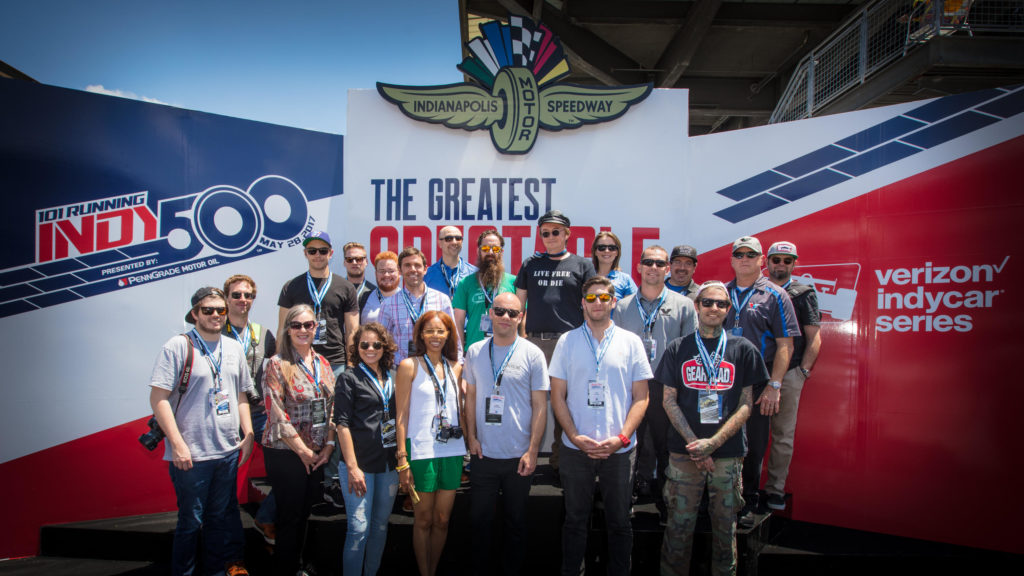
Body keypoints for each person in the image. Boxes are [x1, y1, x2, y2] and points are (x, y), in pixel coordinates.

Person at [656, 281, 768, 576]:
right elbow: (668, 400)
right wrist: (697, 445)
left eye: (721, 304)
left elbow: (746, 404)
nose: (714, 308)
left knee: (725, 530)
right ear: (697, 306)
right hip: (684, 452)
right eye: (708, 302)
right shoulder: (677, 347)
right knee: (678, 529)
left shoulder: (743, 349)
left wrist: (713, 443)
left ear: (729, 310)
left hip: (728, 454)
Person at [148, 286, 254, 576]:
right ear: (195, 313)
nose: (216, 315)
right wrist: (178, 445)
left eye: (221, 310)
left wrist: (248, 433)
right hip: (191, 455)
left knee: (218, 519)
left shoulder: (233, 347)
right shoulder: (178, 346)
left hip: (227, 452)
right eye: (208, 310)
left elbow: (242, 395)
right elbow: (158, 399)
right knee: (190, 523)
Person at [549, 276, 651, 576]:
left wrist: (621, 438)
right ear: (582, 303)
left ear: (613, 302)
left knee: (620, 522)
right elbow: (557, 395)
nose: (597, 303)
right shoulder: (567, 341)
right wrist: (573, 436)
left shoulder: (631, 342)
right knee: (574, 520)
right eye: (591, 298)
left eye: (603, 298)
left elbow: (642, 397)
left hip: (619, 451)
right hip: (575, 449)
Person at [462, 293, 549, 576]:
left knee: (516, 523)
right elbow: (470, 399)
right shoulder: (475, 350)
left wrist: (533, 450)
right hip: (483, 454)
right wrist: (471, 438)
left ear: (520, 317)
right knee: (479, 523)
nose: (505, 317)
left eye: (512, 313)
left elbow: (539, 406)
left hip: (518, 458)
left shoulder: (533, 353)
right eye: (500, 311)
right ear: (490, 312)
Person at [614, 245, 697, 523]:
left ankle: (666, 504)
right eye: (647, 262)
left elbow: (691, 352)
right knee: (628, 445)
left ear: (667, 269)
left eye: (659, 263)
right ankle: (626, 502)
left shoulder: (684, 305)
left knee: (666, 447)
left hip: (666, 388)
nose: (653, 267)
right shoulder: (622, 306)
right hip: (631, 387)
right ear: (638, 267)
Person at [277, 231, 359, 506]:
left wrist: (350, 367)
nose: (318, 255)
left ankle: (330, 479)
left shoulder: (344, 287)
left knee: (334, 423)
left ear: (331, 253)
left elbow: (352, 331)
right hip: (298, 365)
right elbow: (282, 329)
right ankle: (307, 477)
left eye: (323, 250)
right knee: (303, 423)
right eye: (312, 251)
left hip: (334, 364)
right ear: (305, 254)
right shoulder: (291, 286)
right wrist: (281, 364)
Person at [723, 236, 800, 525]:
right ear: (732, 260)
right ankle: (720, 499)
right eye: (738, 254)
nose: (744, 258)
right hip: (722, 382)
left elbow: (785, 346)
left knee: (753, 445)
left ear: (760, 261)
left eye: (750, 254)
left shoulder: (777, 295)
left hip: (758, 382)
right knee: (721, 441)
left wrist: (774, 385)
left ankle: (747, 501)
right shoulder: (720, 293)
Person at [515, 209, 596, 476]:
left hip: (570, 343)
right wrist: (521, 339)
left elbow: (591, 304)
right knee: (529, 402)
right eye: (545, 233)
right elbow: (519, 305)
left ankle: (562, 462)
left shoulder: (582, 265)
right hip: (535, 343)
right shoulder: (530, 264)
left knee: (567, 403)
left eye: (555, 232)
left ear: (567, 234)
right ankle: (524, 454)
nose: (550, 237)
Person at [262, 304, 337, 576]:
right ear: (288, 329)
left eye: (309, 325)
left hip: (317, 452)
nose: (303, 330)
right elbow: (276, 413)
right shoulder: (277, 364)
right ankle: (286, 567)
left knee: (305, 513)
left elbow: (331, 408)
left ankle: (299, 565)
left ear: (316, 328)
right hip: (286, 452)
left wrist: (328, 446)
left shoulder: (323, 363)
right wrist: (303, 451)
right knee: (289, 516)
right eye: (297, 325)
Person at [395, 311, 465, 576]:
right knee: (423, 520)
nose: (435, 336)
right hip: (421, 451)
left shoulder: (456, 367)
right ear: (420, 335)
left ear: (448, 335)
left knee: (443, 520)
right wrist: (402, 458)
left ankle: (433, 570)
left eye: (441, 331)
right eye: (430, 331)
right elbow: (401, 415)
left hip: (452, 450)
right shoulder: (408, 366)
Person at [334, 323, 400, 576]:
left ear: (385, 347)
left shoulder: (393, 377)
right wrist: (352, 467)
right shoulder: (348, 378)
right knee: (358, 529)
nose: (370, 349)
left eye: (376, 344)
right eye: (364, 345)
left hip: (388, 465)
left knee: (380, 526)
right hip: (359, 466)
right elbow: (341, 424)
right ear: (356, 348)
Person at [763, 241, 822, 511]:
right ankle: (743, 489)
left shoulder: (803, 292)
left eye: (787, 260)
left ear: (794, 263)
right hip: (758, 374)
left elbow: (814, 337)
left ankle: (775, 490)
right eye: (776, 259)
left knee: (783, 435)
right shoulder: (758, 290)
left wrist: (803, 372)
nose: (781, 265)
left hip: (789, 374)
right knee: (746, 435)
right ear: (768, 261)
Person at [222, 274, 278, 545]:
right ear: (225, 298)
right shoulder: (214, 331)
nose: (243, 300)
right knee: (223, 485)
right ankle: (229, 547)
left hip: (258, 413)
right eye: (236, 295)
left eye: (248, 295)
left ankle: (265, 517)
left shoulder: (262, 333)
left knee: (289, 466)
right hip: (224, 416)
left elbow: (274, 373)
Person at [381, 246, 457, 367]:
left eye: (417, 265)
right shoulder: (388, 304)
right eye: (407, 265)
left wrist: (456, 366)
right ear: (400, 270)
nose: (413, 269)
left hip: (436, 368)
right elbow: (382, 342)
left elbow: (453, 338)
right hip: (400, 369)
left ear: (425, 269)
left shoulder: (442, 300)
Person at [453, 229, 517, 351]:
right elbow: (459, 322)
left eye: (496, 249)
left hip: (507, 350)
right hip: (473, 351)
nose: (491, 252)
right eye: (486, 249)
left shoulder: (514, 282)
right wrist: (460, 354)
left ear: (501, 252)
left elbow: (522, 318)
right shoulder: (465, 283)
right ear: (478, 251)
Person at [424, 225, 477, 299]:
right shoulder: (427, 275)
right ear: (439, 243)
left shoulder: (475, 273)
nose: (454, 242)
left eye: (458, 238)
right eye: (448, 239)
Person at [591, 230, 637, 300]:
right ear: (595, 251)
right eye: (602, 247)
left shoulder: (625, 279)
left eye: (611, 248)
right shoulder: (586, 276)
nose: (606, 251)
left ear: (617, 252)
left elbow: (634, 307)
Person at [360, 251, 400, 324]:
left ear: (399, 273)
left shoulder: (408, 299)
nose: (386, 275)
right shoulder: (364, 298)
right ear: (376, 274)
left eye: (391, 271)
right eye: (382, 271)